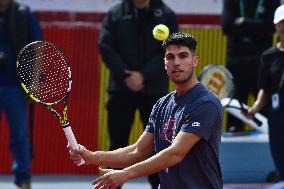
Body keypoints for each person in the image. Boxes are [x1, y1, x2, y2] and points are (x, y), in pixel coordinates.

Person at [69, 32, 223, 189]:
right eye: (170, 57)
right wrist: (91, 157)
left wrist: (126, 174)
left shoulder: (205, 103)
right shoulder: (162, 105)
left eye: (183, 56)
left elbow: (176, 153)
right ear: (165, 63)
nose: (176, 62)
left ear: (194, 61)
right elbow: (137, 151)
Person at [98, 0, 178, 188]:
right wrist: (126, 74)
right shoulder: (115, 14)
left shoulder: (167, 15)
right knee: (117, 145)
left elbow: (171, 50)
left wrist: (144, 75)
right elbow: (105, 47)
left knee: (158, 147)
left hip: (154, 92)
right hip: (121, 89)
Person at [0, 0, 42, 189]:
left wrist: (34, 80)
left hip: (15, 84)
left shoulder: (24, 14)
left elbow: (38, 48)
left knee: (19, 134)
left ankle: (23, 178)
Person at [221, 0, 280, 134]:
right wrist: (257, 28)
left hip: (262, 63)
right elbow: (227, 26)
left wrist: (243, 23)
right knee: (235, 116)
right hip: (236, 62)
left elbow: (271, 27)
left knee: (265, 115)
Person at [245, 4, 284, 182]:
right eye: (281, 22)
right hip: (277, 116)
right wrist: (254, 108)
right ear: (276, 26)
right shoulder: (268, 56)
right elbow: (264, 90)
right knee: (280, 159)